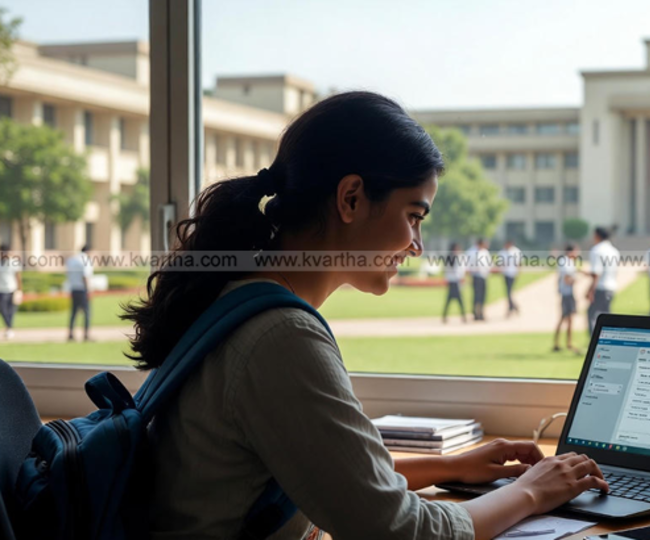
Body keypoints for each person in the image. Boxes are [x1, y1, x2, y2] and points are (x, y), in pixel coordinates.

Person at [125, 93, 607, 540]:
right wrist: (533, 491)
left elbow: (331, 475)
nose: (416, 244)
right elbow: (395, 531)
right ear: (351, 198)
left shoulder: (237, 299)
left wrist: (450, 467)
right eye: (414, 216)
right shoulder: (281, 336)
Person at [585, 227, 620, 335]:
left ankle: (594, 342)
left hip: (600, 287)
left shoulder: (597, 250)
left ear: (597, 236)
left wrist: (590, 290)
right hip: (611, 287)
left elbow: (597, 273)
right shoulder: (614, 251)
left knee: (592, 315)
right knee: (607, 317)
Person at [553, 244, 580, 353]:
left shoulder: (567, 262)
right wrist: (575, 280)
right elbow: (566, 279)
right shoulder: (566, 262)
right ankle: (562, 343)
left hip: (567, 293)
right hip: (567, 294)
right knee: (565, 318)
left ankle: (564, 343)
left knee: (567, 318)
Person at [66, 244, 93, 342]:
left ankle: (70, 334)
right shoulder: (85, 260)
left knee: (73, 313)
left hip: (73, 288)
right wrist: (88, 290)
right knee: (87, 313)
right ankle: (86, 335)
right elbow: (85, 276)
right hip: (82, 289)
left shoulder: (72, 260)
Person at [0, 243, 22, 339]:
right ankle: (9, 327)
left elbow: (18, 277)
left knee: (11, 311)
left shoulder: (14, 262)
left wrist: (20, 290)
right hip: (1, 290)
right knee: (3, 309)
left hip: (12, 289)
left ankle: (9, 329)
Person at [442, 242, 467, 324]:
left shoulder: (459, 257)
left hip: (455, 281)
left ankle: (446, 316)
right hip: (454, 281)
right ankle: (463, 316)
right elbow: (451, 270)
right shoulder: (451, 257)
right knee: (457, 300)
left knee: (452, 300)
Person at [498, 239, 522, 318]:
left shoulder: (515, 252)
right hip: (505, 274)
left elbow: (519, 263)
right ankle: (513, 307)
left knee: (509, 292)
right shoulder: (502, 252)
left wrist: (518, 272)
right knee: (508, 292)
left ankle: (511, 307)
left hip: (513, 274)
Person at [470, 238, 491, 321]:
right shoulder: (472, 252)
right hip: (476, 276)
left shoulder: (485, 252)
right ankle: (475, 313)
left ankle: (481, 313)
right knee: (476, 296)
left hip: (484, 276)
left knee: (483, 296)